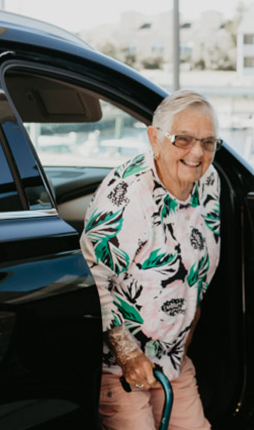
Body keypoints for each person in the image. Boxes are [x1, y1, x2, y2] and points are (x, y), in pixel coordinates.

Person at [80, 90, 222, 430]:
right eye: (183, 140)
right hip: (120, 368)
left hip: (172, 358)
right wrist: (128, 354)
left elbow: (199, 267)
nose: (197, 153)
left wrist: (188, 326)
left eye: (208, 142)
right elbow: (91, 279)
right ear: (154, 138)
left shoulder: (209, 181)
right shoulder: (129, 195)